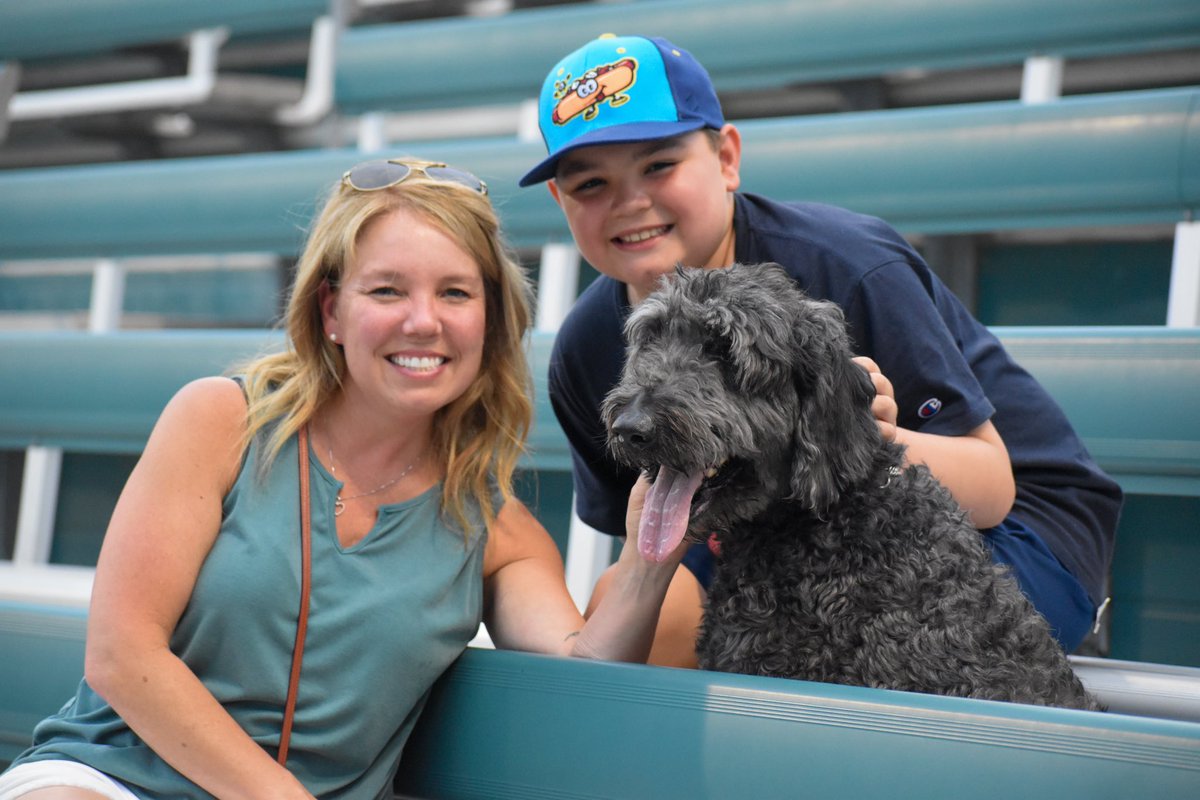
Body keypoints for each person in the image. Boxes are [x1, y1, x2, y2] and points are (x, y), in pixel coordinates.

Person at [0, 158, 684, 800]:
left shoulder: (496, 526)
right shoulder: (218, 419)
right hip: (108, 779)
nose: (424, 321)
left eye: (455, 292)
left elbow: (582, 671)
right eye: (387, 290)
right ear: (331, 312)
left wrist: (649, 561)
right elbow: (122, 656)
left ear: (489, 319)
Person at [518, 34, 1124, 666]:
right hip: (771, 523)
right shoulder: (588, 345)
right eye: (590, 183)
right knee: (633, 606)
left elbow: (993, 484)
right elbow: (649, 535)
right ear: (561, 202)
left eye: (658, 165)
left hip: (1011, 523)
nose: (629, 201)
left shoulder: (850, 265)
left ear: (727, 157)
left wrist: (855, 437)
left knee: (841, 636)